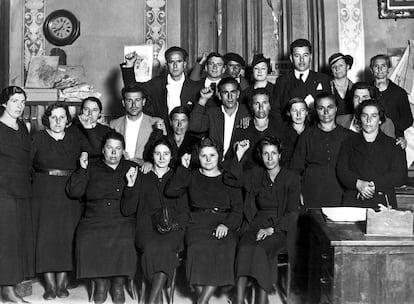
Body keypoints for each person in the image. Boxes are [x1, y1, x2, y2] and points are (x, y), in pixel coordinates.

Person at [165, 138, 243, 304]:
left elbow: (238, 210)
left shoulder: (229, 178)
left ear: (219, 157)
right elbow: (171, 191)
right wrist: (183, 168)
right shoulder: (191, 175)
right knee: (196, 247)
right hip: (197, 223)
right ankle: (203, 300)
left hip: (224, 223)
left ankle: (201, 301)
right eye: (203, 155)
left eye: (212, 155)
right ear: (197, 157)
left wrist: (227, 225)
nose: (208, 160)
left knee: (226, 246)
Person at [66, 131, 137, 304]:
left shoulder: (131, 168)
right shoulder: (90, 166)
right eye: (109, 148)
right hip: (93, 219)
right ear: (102, 149)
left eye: (118, 149)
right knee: (87, 238)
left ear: (123, 151)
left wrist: (130, 186)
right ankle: (100, 285)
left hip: (121, 218)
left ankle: (118, 285)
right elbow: (74, 192)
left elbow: (130, 208)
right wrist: (82, 170)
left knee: (126, 239)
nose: (113, 153)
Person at [227, 137, 300, 304]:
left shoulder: (291, 178)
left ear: (280, 155)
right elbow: (233, 180)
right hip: (256, 223)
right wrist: (238, 155)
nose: (269, 158)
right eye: (266, 154)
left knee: (259, 250)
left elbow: (293, 213)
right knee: (244, 246)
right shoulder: (256, 174)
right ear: (261, 156)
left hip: (281, 227)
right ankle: (238, 299)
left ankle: (260, 300)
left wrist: (272, 229)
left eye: (273, 153)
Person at [121, 137, 189, 304]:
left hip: (172, 228)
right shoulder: (143, 175)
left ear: (172, 156)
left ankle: (152, 301)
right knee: (151, 247)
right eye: (157, 153)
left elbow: (184, 211)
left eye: (166, 153)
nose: (161, 157)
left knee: (166, 248)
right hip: (147, 229)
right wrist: (130, 185)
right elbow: (127, 210)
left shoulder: (178, 176)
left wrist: (177, 228)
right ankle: (155, 300)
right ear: (151, 155)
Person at [31, 102, 86, 300]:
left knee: (67, 237)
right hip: (43, 193)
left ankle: (62, 283)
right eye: (53, 117)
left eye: (62, 117)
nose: (57, 121)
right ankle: (50, 286)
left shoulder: (75, 138)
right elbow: (28, 166)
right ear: (47, 118)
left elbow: (87, 160)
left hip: (69, 193)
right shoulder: (37, 138)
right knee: (45, 238)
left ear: (67, 120)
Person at [337, 100, 407, 208]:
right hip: (353, 201)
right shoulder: (348, 143)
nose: (368, 120)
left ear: (380, 120)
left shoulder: (394, 145)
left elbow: (400, 175)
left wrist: (373, 185)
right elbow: (342, 171)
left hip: (383, 201)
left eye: (373, 116)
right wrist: (358, 183)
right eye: (365, 116)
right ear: (360, 119)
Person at [0, 86, 34, 303]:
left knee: (18, 239)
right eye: (14, 101)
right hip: (3, 192)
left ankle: (13, 283)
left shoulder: (22, 126)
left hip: (22, 190)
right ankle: (6, 288)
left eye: (22, 102)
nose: (19, 106)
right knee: (7, 241)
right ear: (4, 103)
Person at [290, 93, 351, 208]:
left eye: (330, 107)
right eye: (321, 108)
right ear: (315, 110)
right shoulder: (306, 136)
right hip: (313, 191)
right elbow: (295, 168)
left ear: (336, 108)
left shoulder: (347, 136)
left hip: (340, 192)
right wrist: (297, 192)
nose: (326, 112)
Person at [121, 46, 203, 125]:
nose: (175, 66)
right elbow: (132, 90)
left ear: (184, 64)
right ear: (167, 65)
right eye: (171, 62)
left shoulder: (195, 88)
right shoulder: (156, 84)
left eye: (178, 61)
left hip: (187, 136)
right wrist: (129, 65)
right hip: (163, 134)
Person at [189, 77, 251, 158]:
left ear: (238, 94)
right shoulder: (212, 113)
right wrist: (203, 99)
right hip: (217, 163)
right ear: (219, 95)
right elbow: (194, 126)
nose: (230, 97)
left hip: (240, 164)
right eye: (225, 93)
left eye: (233, 92)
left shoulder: (247, 112)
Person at [273, 39, 331, 122]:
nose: (301, 60)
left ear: (310, 56)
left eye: (305, 55)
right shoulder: (282, 81)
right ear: (291, 58)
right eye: (297, 56)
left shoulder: (323, 79)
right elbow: (276, 111)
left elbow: (328, 110)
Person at [110, 83, 165, 167]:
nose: (134, 105)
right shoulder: (113, 124)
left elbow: (164, 153)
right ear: (123, 103)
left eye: (137, 100)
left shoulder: (156, 123)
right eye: (129, 100)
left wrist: (147, 162)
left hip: (147, 172)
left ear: (143, 102)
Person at [232, 88, 286, 170]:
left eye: (264, 103)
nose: (261, 107)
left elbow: (285, 157)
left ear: (270, 106)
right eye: (257, 103)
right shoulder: (242, 129)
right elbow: (235, 158)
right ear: (251, 106)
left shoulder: (280, 129)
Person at [371, 54, 413, 138]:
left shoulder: (400, 93)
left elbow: (408, 119)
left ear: (389, 69)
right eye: (376, 66)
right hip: (370, 138)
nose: (380, 69)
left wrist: (389, 127)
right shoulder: (366, 92)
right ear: (371, 69)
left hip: (394, 138)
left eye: (383, 66)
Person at [146, 106, 200, 170]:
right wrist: (158, 132)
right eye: (176, 120)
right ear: (171, 122)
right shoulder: (164, 140)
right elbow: (149, 155)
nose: (179, 124)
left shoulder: (195, 142)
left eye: (183, 120)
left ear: (188, 122)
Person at [283, 97, 309, 166]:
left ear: (307, 112)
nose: (298, 114)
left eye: (302, 110)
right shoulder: (282, 132)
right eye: (294, 111)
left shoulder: (313, 131)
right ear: (289, 113)